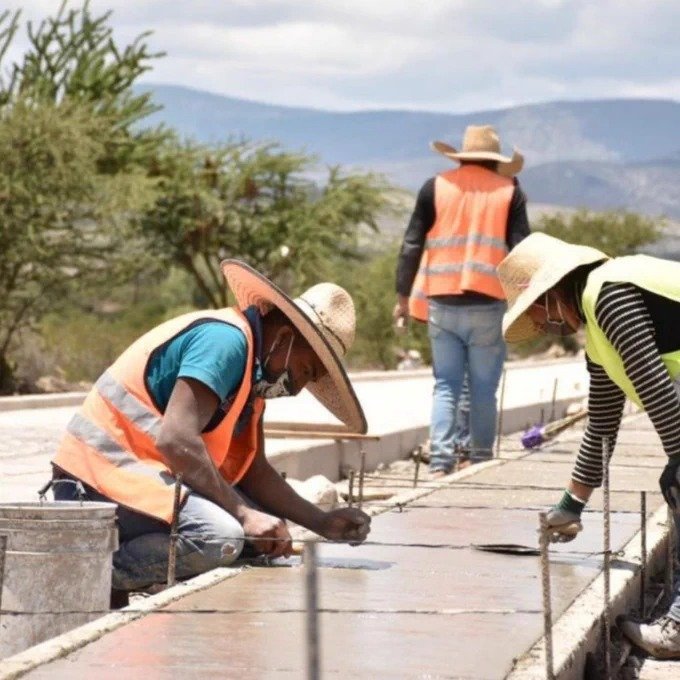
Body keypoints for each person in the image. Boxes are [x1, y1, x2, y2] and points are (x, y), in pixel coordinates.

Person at [50, 260, 371, 599]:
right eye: (305, 370)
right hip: (95, 479)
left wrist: (321, 522)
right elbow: (176, 441)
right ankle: (86, 575)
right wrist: (244, 513)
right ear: (285, 338)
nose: (297, 387)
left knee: (260, 539)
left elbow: (254, 471)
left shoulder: (252, 378)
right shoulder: (226, 341)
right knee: (219, 538)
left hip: (142, 479)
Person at [497, 231, 680, 660]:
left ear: (551, 295)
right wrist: (571, 506)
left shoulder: (611, 296)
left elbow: (657, 391)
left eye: (538, 316)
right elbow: (601, 426)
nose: (541, 327)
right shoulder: (598, 335)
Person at [393, 125, 530, 476]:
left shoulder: (435, 187)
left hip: (441, 303)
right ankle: (479, 459)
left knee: (446, 385)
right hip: (489, 304)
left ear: (462, 156)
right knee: (483, 389)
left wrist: (402, 297)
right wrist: (528, 300)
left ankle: (441, 461)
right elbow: (522, 250)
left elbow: (411, 244)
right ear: (494, 161)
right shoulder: (508, 191)